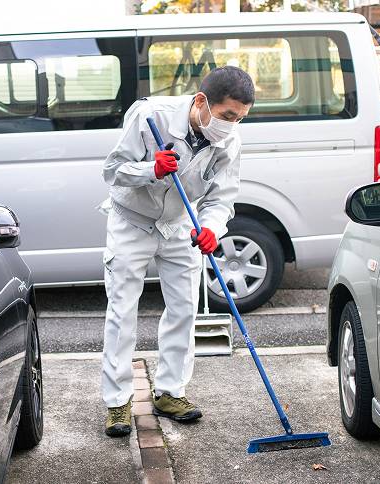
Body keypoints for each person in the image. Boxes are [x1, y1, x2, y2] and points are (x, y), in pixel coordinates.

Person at [99, 66, 254, 437]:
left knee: (184, 308)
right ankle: (118, 401)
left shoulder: (229, 141)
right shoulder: (149, 116)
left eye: (240, 118)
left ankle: (170, 392)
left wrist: (211, 229)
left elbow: (222, 197)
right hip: (132, 221)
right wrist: (149, 169)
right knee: (122, 309)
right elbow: (112, 171)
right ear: (201, 102)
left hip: (180, 223)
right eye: (227, 115)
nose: (231, 125)